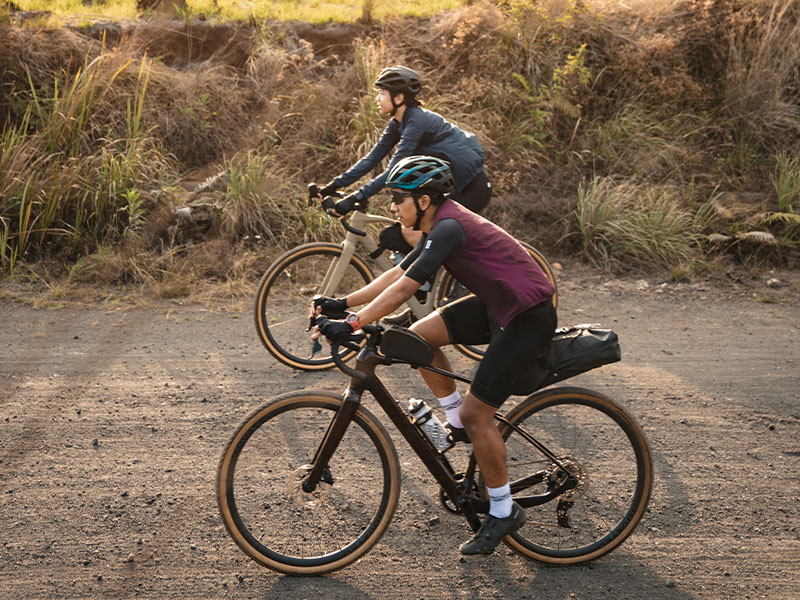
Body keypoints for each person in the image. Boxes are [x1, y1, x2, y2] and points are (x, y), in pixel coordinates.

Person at [311, 156, 557, 555]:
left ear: (423, 200)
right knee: (418, 338)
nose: (392, 207)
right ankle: (456, 420)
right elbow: (395, 275)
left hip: (527, 316)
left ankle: (502, 509)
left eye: (398, 199)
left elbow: (406, 288)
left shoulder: (448, 227)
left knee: (482, 414)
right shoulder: (438, 224)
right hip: (499, 305)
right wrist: (340, 304)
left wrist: (354, 323)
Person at [316, 65, 492, 253]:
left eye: (382, 93)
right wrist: (333, 186)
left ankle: (455, 276)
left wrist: (357, 196)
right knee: (405, 234)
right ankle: (426, 278)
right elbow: (371, 159)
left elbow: (393, 172)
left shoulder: (416, 121)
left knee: (424, 237)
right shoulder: (398, 123)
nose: (377, 98)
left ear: (399, 98)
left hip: (471, 188)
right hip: (451, 186)